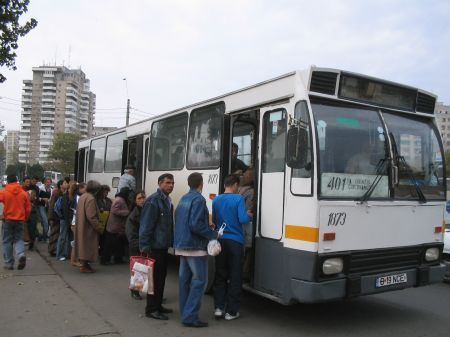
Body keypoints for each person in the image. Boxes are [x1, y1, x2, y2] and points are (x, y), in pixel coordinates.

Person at [174, 172, 220, 328]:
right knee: (200, 281)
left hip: (181, 245)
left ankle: (185, 313)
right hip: (195, 247)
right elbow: (195, 225)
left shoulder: (183, 198)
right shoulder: (199, 199)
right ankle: (190, 316)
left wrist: (206, 227)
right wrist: (212, 234)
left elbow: (186, 222)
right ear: (201, 184)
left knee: (184, 281)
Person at [212, 174, 252, 321]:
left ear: (224, 185)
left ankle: (218, 308)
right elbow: (242, 219)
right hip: (235, 242)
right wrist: (249, 215)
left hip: (221, 241)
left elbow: (215, 221)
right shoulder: (238, 199)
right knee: (235, 276)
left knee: (221, 274)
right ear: (235, 185)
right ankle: (231, 312)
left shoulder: (216, 200)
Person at [139, 173, 175, 320]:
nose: (171, 185)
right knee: (154, 279)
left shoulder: (167, 200)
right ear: (160, 183)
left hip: (163, 246)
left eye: (172, 183)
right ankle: (151, 309)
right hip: (154, 247)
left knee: (161, 277)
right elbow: (146, 226)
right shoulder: (153, 201)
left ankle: (158, 305)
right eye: (167, 183)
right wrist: (144, 246)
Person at [0, 174, 31, 270]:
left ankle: (9, 263)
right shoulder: (23, 193)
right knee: (19, 239)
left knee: (7, 241)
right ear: (17, 181)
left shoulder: (4, 192)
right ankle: (21, 254)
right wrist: (24, 217)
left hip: (8, 220)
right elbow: (28, 208)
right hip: (20, 220)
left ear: (8, 181)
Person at [74, 180, 103, 273]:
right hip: (88, 228)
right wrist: (99, 227)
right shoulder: (91, 198)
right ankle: (84, 266)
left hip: (82, 225)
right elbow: (91, 217)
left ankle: (85, 265)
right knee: (87, 246)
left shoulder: (83, 196)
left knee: (83, 246)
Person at [125, 190, 146, 300]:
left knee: (145, 270)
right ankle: (135, 291)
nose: (142, 200)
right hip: (136, 246)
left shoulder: (145, 211)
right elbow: (130, 235)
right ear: (135, 201)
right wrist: (139, 245)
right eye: (139, 198)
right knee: (138, 270)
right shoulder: (133, 215)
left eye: (143, 198)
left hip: (143, 246)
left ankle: (146, 290)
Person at [102, 187, 131, 265]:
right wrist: (126, 212)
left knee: (118, 243)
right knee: (109, 244)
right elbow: (114, 210)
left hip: (116, 225)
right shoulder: (119, 200)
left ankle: (118, 258)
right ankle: (105, 260)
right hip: (114, 225)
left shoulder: (120, 198)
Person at [47, 178, 69, 256]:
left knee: (60, 234)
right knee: (54, 233)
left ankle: (58, 250)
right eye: (65, 183)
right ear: (61, 185)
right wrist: (50, 217)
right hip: (55, 217)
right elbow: (51, 206)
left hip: (62, 217)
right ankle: (52, 250)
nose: (67, 184)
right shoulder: (56, 193)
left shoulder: (66, 193)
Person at [56, 180, 76, 261]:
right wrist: (69, 221)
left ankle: (68, 254)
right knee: (63, 237)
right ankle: (59, 254)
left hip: (68, 219)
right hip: (65, 220)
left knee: (69, 238)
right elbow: (65, 210)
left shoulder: (69, 195)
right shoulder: (66, 196)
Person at [37, 177, 52, 242]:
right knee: (44, 221)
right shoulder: (40, 188)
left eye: (49, 182)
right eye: (47, 182)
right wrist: (42, 199)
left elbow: (51, 198)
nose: (48, 183)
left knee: (47, 221)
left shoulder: (51, 189)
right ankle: (44, 236)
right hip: (41, 206)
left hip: (47, 207)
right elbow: (36, 197)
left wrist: (49, 201)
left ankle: (43, 236)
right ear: (44, 182)